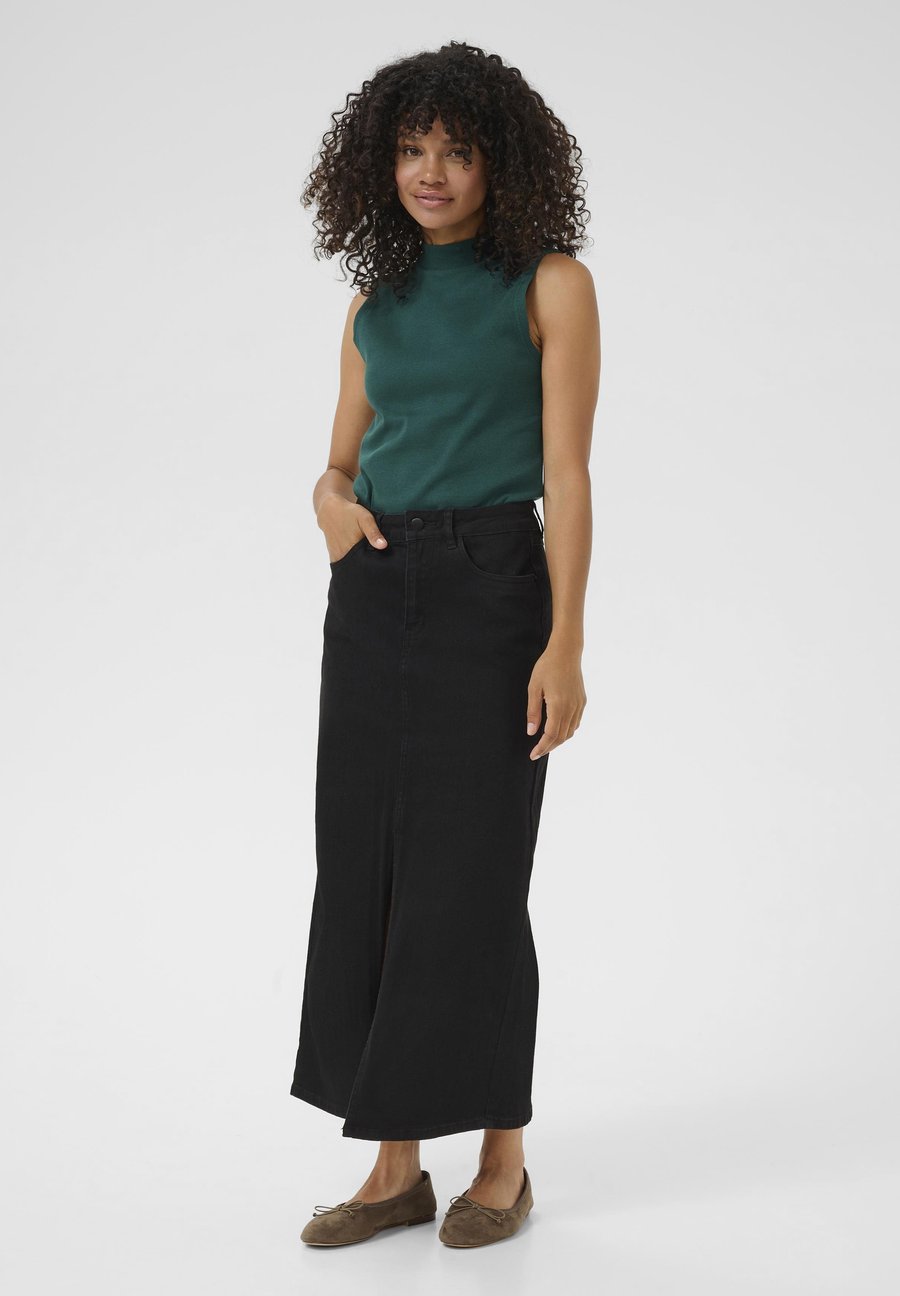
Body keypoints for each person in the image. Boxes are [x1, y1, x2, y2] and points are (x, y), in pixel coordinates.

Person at [290, 40, 600, 1249]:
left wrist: (565, 643)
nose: (431, 171)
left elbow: (568, 478)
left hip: (491, 585)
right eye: (412, 149)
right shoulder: (374, 304)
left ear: (499, 163)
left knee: (473, 875)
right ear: (381, 160)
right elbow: (338, 458)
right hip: (373, 592)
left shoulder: (550, 285)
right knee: (367, 869)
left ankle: (502, 1161)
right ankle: (394, 1166)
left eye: (457, 151)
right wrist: (329, 507)